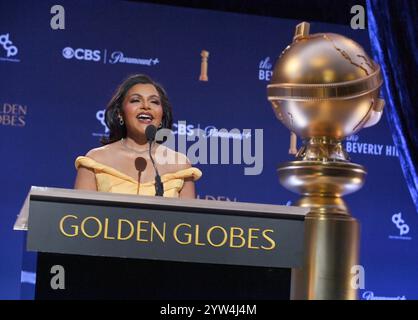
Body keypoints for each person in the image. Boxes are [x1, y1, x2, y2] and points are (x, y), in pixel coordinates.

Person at [74, 74, 202, 198]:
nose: (146, 106)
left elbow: (187, 219)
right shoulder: (96, 160)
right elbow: (81, 216)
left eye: (154, 102)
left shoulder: (180, 165)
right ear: (120, 113)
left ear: (162, 116)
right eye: (136, 100)